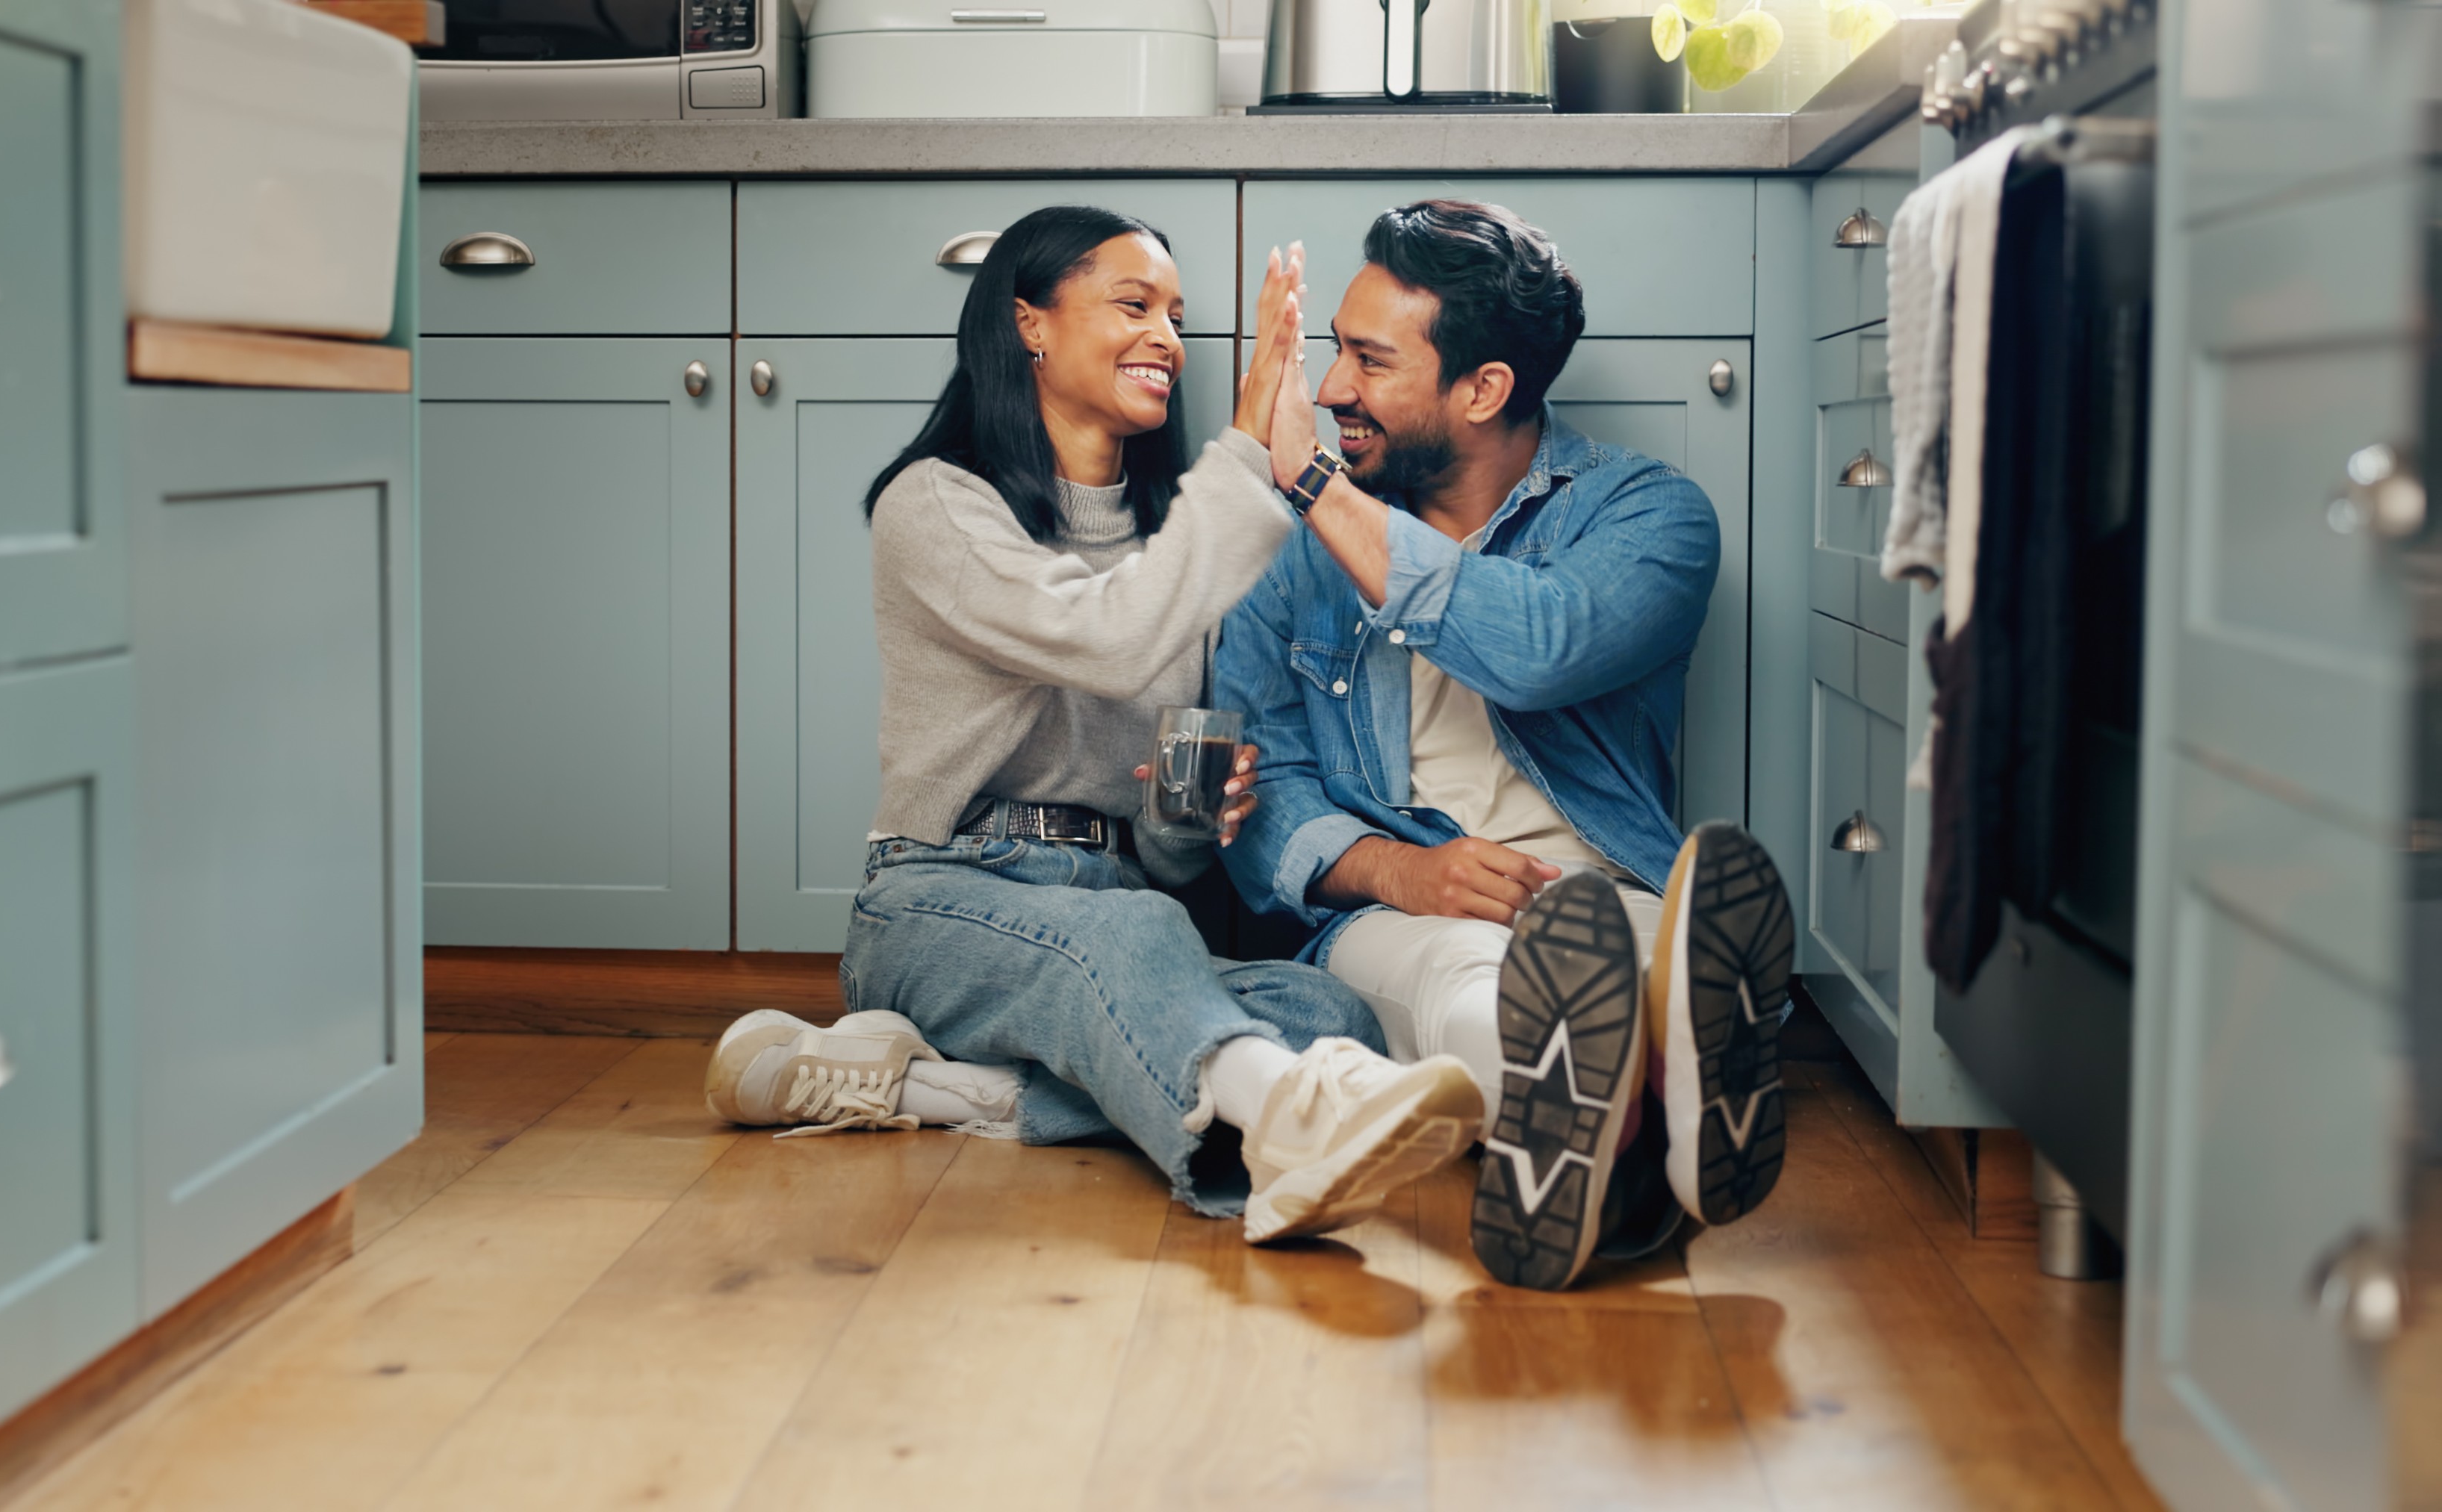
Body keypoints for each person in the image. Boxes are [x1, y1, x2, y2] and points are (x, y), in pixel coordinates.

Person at [702, 206, 1487, 1245]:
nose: (1166, 336)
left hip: (1116, 910)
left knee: (1331, 1017)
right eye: (1135, 304)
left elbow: (1161, 854)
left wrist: (1188, 810)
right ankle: (1284, 1126)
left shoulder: (1181, 544)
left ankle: (944, 1092)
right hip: (943, 901)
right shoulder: (937, 505)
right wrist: (1252, 452)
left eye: (1176, 314)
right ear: (1030, 323)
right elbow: (1107, 638)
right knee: (1141, 943)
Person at [1217, 199, 1795, 1291]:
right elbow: (1260, 806)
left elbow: (1538, 645)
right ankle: (1646, 1125)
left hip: (1593, 889)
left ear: (1482, 389)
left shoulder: (1651, 516)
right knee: (1462, 974)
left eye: (1368, 360)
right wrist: (1408, 871)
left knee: (1627, 956)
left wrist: (1310, 482)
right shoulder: (1289, 556)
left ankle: (1641, 1100)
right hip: (1395, 913)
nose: (1331, 389)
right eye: (1333, 349)